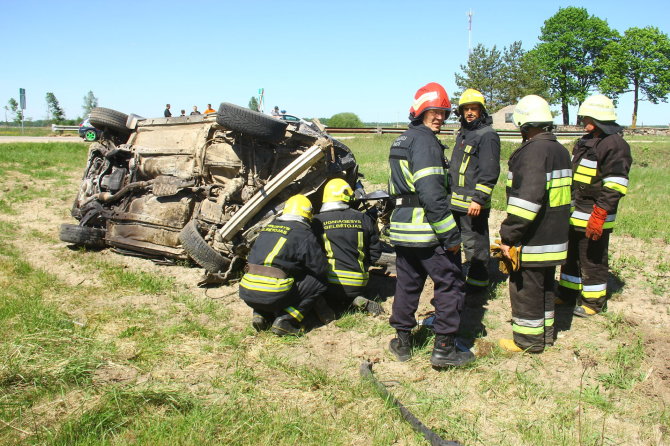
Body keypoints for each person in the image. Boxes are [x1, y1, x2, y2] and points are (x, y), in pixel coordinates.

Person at [387, 82, 474, 368]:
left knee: (408, 284)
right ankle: (445, 349)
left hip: (402, 230)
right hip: (426, 230)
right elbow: (431, 194)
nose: (439, 117)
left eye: (444, 113)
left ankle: (402, 342)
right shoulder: (425, 142)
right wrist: (450, 235)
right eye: (433, 112)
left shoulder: (402, 139)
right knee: (449, 283)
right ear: (420, 112)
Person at [498, 95, 572, 353]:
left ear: (523, 124)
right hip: (555, 237)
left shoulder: (532, 153)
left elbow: (526, 202)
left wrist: (508, 235)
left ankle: (528, 342)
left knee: (525, 289)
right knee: (545, 289)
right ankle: (546, 335)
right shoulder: (560, 151)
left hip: (533, 239)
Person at [557, 94, 633, 317]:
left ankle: (593, 302)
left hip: (595, 214)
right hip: (576, 212)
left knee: (592, 258)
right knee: (571, 256)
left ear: (600, 118)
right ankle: (568, 293)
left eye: (587, 117)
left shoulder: (615, 145)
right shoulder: (587, 140)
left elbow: (616, 185)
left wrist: (600, 214)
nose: (583, 121)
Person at [239, 194, 329, 336]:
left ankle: (260, 313)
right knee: (319, 282)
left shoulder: (268, 228)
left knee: (266, 275)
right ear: (308, 214)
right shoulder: (304, 233)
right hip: (273, 294)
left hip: (247, 292)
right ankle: (287, 320)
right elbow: (320, 268)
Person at [449, 88, 500, 291]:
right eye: (466, 109)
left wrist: (479, 199)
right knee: (457, 242)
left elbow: (489, 171)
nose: (469, 112)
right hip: (456, 202)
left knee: (475, 244)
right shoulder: (464, 134)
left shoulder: (487, 136)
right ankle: (461, 278)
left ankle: (478, 285)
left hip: (472, 204)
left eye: (474, 109)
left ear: (482, 111)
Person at [312, 178, 383, 315]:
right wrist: (365, 264)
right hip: (358, 282)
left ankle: (330, 303)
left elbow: (312, 254)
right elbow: (376, 252)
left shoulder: (317, 221)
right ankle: (354, 298)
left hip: (329, 283)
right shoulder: (364, 219)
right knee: (350, 290)